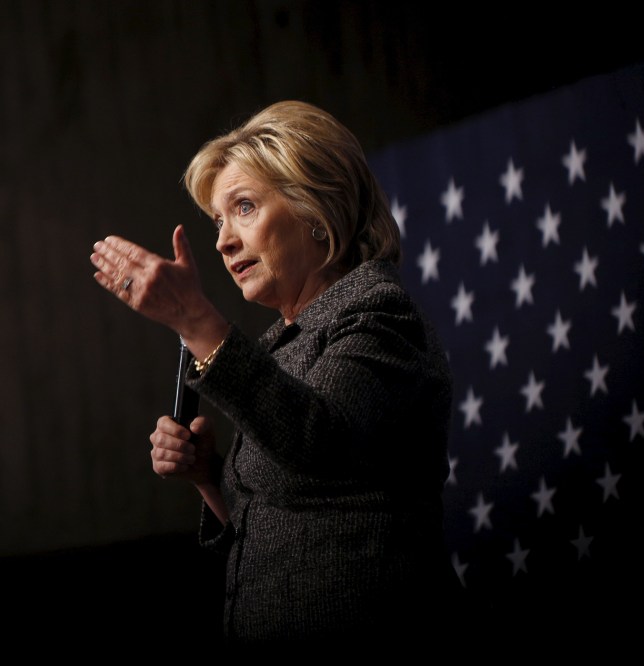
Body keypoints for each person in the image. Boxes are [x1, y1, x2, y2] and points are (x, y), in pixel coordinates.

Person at [90, 100, 460, 645]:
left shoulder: (381, 317)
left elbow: (317, 445)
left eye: (243, 207)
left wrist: (194, 319)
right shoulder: (282, 346)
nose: (223, 241)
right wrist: (207, 476)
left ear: (315, 210)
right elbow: (279, 515)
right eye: (218, 220)